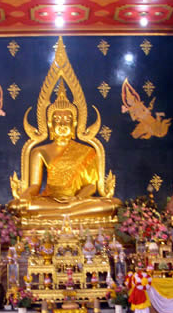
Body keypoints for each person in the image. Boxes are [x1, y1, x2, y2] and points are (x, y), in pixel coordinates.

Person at [9, 83, 120, 219]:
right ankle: (67, 212)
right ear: (50, 123)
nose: (62, 124)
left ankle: (64, 212)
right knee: (16, 206)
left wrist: (77, 199)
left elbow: (91, 186)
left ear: (74, 124)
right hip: (50, 201)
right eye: (57, 119)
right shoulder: (39, 151)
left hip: (78, 202)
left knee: (113, 204)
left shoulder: (87, 150)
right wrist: (26, 195)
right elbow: (35, 185)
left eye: (67, 120)